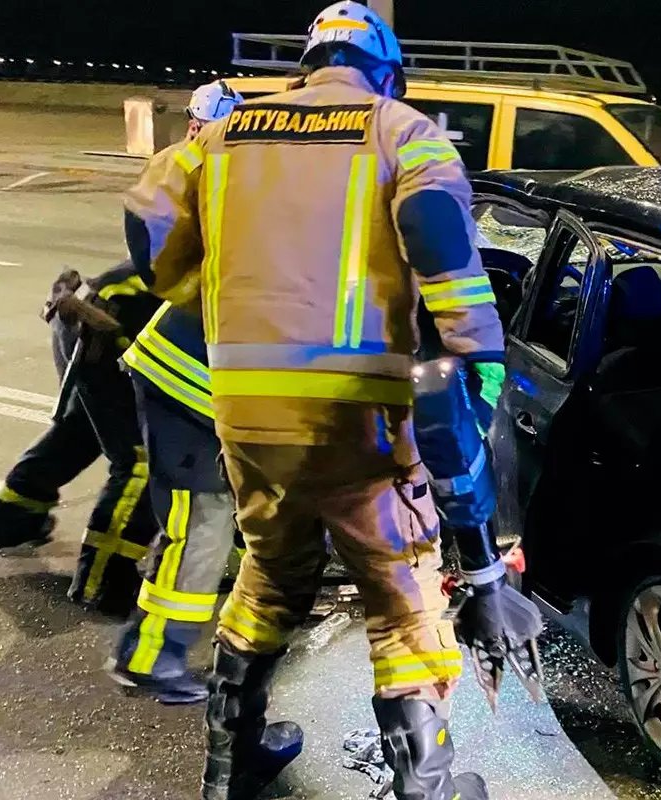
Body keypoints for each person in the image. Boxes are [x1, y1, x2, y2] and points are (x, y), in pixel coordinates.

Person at [123, 3, 512, 798]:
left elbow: (147, 219)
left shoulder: (225, 135)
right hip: (357, 411)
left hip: (244, 403)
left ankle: (231, 765)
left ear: (309, 63)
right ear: (388, 70)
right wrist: (481, 364)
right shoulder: (404, 132)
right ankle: (425, 785)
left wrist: (204, 296)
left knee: (268, 569)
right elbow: (445, 257)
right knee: (400, 590)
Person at [106, 80, 245, 705]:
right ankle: (152, 657)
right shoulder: (212, 182)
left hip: (195, 387)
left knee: (212, 524)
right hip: (184, 389)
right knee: (201, 526)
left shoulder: (233, 194)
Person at [0, 262, 159, 615]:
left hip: (84, 314)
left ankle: (10, 517)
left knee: (82, 428)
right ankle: (102, 577)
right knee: (142, 460)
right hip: (107, 331)